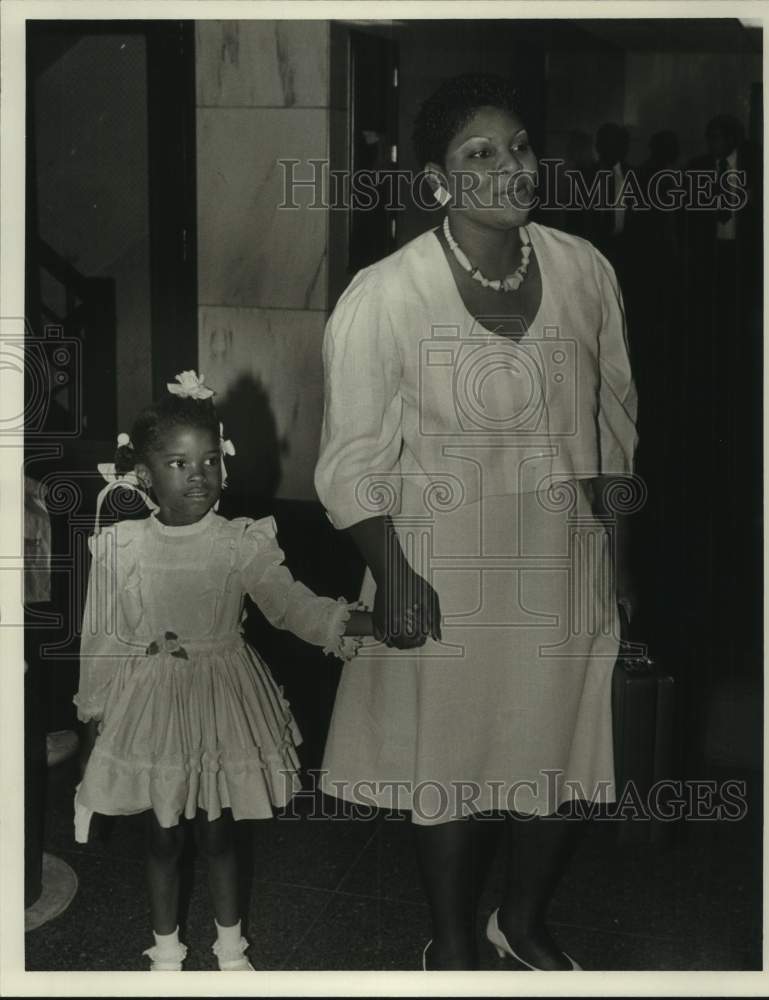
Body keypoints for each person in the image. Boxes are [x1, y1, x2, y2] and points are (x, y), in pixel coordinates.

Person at [315, 74, 638, 971]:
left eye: (522, 147)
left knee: (558, 752)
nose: (511, 168)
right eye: (480, 154)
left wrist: (619, 556)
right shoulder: (386, 295)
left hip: (562, 557)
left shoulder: (583, 269)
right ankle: (453, 946)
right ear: (437, 182)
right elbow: (347, 464)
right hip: (440, 562)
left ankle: (521, 922)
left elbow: (615, 426)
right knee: (448, 767)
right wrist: (397, 570)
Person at [74, 370, 370, 971]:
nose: (199, 475)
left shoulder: (241, 542)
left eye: (209, 460)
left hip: (222, 699)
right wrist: (92, 720)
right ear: (144, 473)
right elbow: (99, 641)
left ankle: (231, 949)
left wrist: (354, 623)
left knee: (218, 830)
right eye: (179, 463)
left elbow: (289, 606)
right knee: (162, 833)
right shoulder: (123, 545)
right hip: (152, 703)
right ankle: (165, 954)